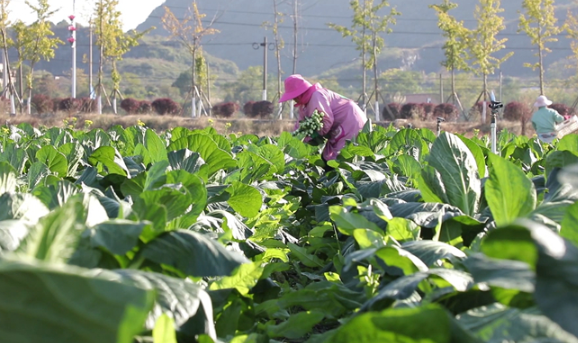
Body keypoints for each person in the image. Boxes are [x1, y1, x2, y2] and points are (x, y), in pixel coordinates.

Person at [279, 74, 367, 161]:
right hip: (341, 125)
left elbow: (326, 122)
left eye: (293, 96)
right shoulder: (304, 104)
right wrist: (292, 141)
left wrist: (311, 135)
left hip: (350, 121)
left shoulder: (316, 96)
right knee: (326, 158)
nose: (293, 99)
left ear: (299, 94)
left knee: (340, 159)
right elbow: (300, 125)